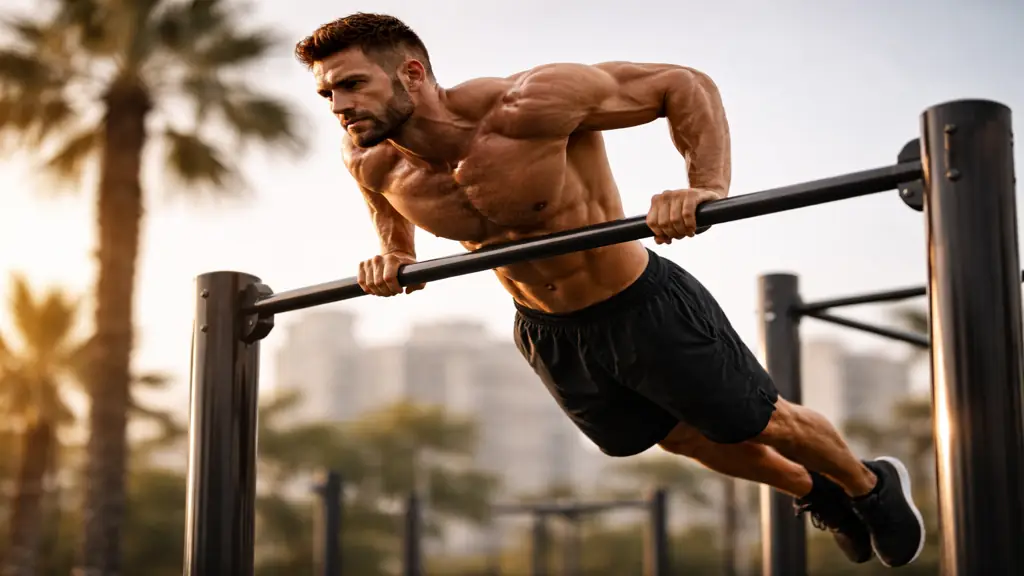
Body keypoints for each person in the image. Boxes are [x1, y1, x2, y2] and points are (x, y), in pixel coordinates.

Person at [295, 12, 926, 568]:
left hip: (638, 303)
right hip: (547, 329)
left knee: (758, 420)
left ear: (409, 74)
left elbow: (684, 84)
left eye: (352, 84)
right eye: (326, 92)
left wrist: (704, 187)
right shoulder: (369, 158)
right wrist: (395, 255)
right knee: (675, 437)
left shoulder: (528, 102)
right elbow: (384, 207)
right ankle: (818, 494)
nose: (338, 104)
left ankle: (868, 486)